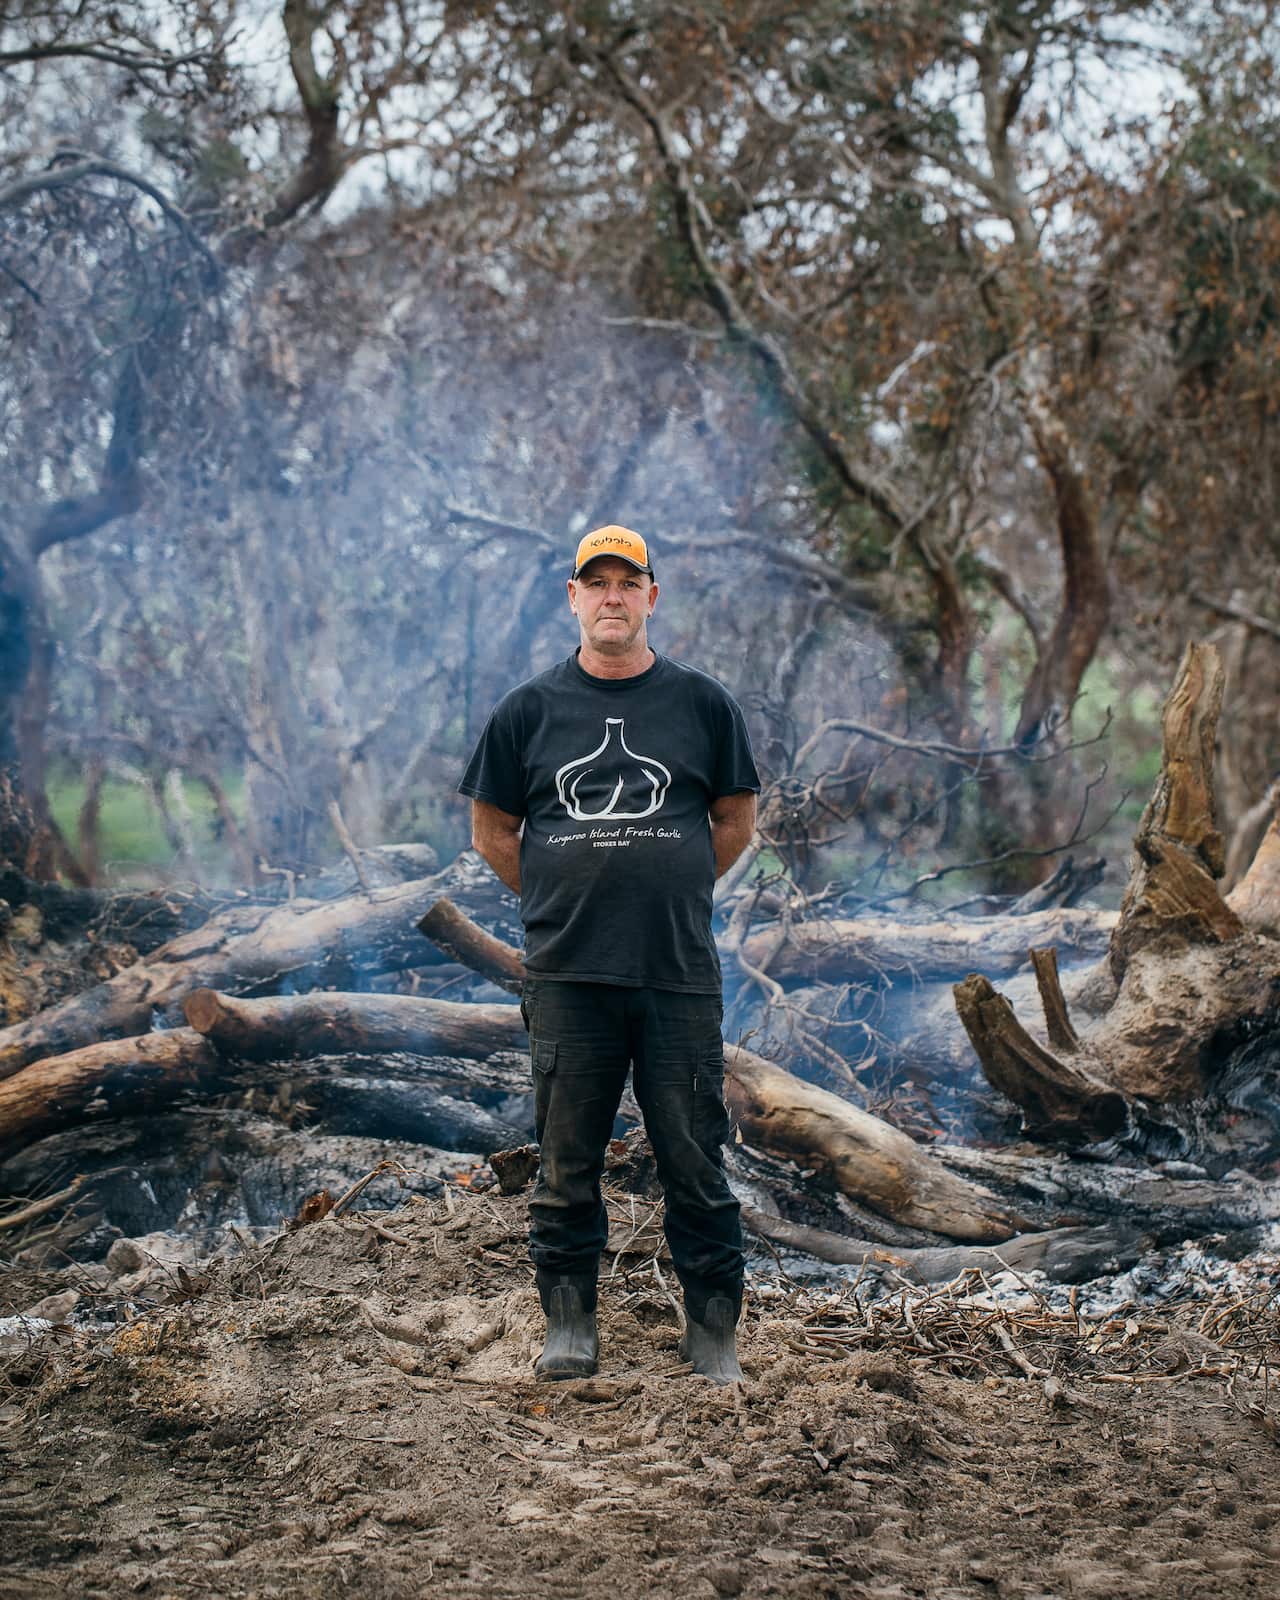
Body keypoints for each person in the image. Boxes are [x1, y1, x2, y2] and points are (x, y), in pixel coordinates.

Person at [458, 524, 760, 1384]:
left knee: (695, 1160)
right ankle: (569, 1326)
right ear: (574, 597)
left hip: (676, 973)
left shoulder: (703, 705)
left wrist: (672, 884)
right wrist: (562, 898)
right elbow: (492, 832)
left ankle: (712, 1333)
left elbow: (734, 823)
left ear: (652, 597)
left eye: (630, 582)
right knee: (565, 1162)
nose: (613, 597)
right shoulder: (528, 711)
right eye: (598, 583)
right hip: (569, 978)